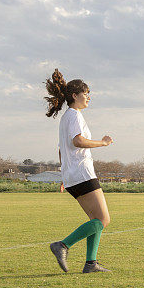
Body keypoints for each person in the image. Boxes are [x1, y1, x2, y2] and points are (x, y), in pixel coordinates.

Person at [43, 69, 113, 274]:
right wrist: (103, 142)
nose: (89, 96)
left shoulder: (66, 117)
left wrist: (64, 175)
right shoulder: (74, 115)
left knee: (95, 220)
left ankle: (91, 263)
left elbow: (60, 149)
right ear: (75, 95)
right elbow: (78, 141)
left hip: (72, 174)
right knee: (103, 220)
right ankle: (62, 245)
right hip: (82, 173)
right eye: (86, 93)